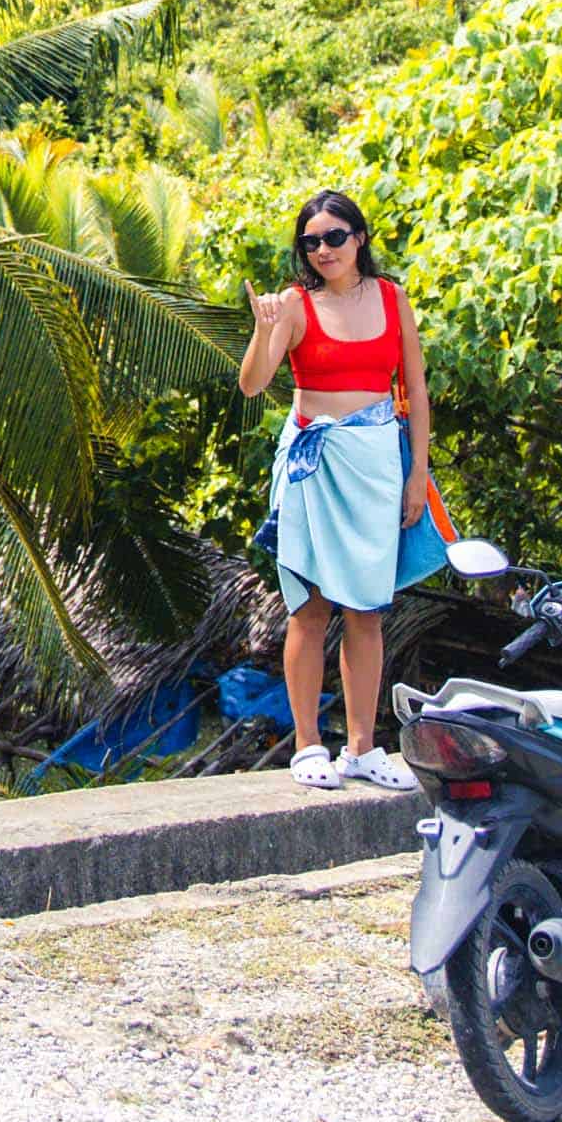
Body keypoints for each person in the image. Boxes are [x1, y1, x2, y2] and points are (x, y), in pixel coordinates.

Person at [240, 190, 453, 790]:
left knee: (367, 609)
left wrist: (418, 477)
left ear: (359, 237)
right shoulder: (294, 304)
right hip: (314, 463)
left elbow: (415, 389)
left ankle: (363, 747)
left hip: (378, 461)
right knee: (309, 608)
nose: (323, 249)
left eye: (335, 236)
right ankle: (308, 745)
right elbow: (254, 385)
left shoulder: (393, 298)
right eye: (311, 241)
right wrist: (265, 331)